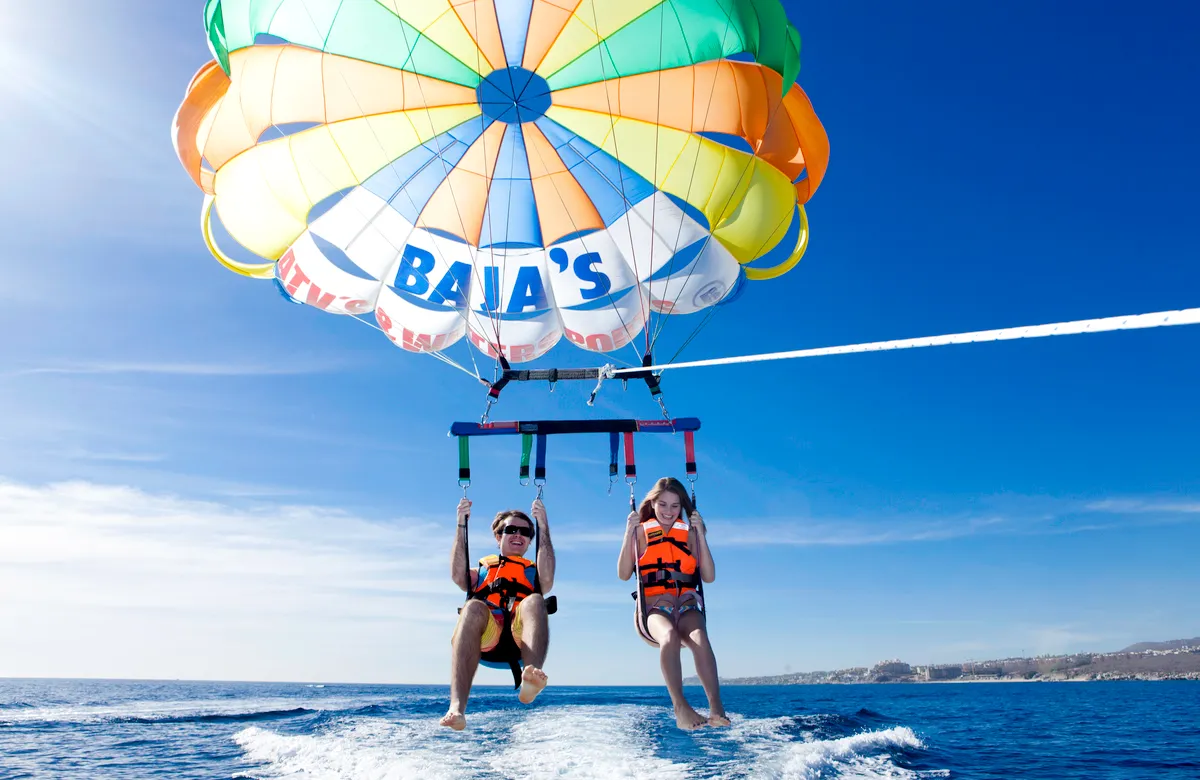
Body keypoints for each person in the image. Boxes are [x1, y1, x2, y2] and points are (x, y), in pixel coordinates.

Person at [618, 477, 729, 730]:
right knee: (668, 636)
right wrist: (628, 533)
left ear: (682, 507)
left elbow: (709, 577)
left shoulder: (689, 534)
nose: (669, 511)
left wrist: (700, 534)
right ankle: (680, 707)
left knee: (700, 638)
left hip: (687, 604)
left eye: (675, 506)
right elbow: (623, 574)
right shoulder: (641, 532)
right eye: (663, 504)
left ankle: (716, 707)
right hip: (656, 607)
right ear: (652, 504)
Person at [440, 497, 554, 730]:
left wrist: (543, 525)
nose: (518, 535)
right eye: (510, 530)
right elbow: (458, 577)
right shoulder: (481, 571)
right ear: (498, 536)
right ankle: (456, 708)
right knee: (473, 606)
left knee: (535, 599)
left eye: (525, 532)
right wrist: (461, 524)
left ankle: (530, 678)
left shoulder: (534, 572)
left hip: (521, 640)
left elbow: (548, 581)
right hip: (486, 638)